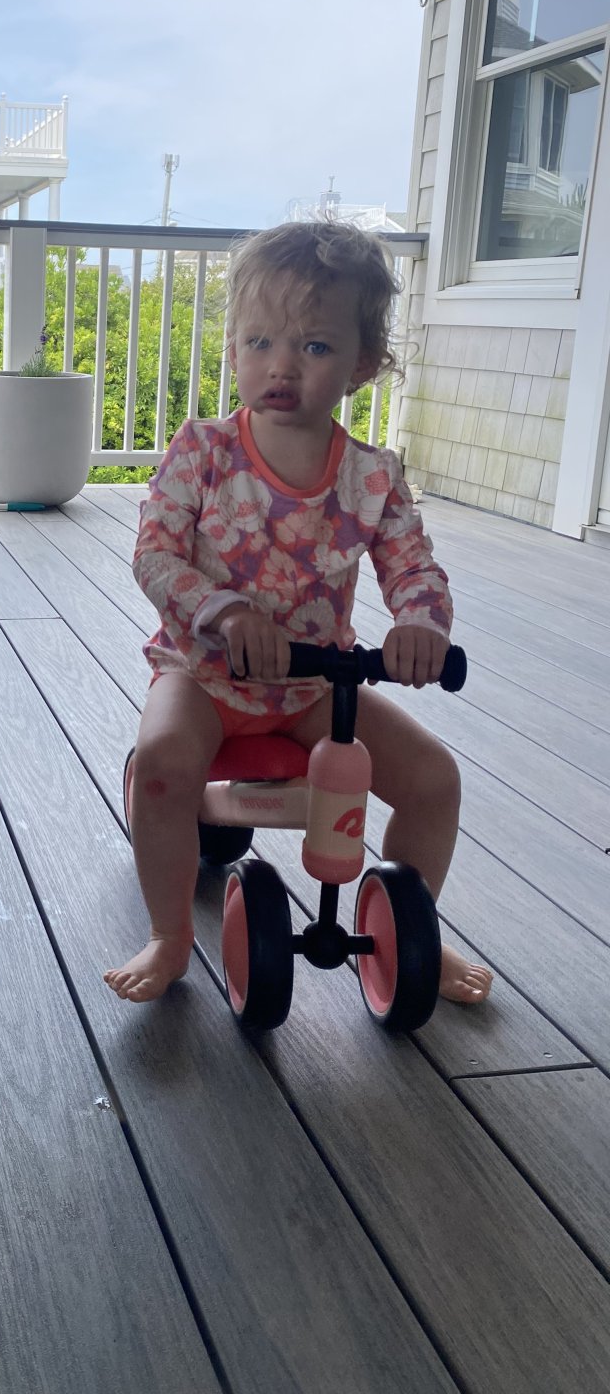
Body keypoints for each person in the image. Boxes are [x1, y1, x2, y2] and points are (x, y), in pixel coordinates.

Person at [105, 221, 493, 1006]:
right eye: (260, 341)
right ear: (234, 349)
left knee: (432, 779)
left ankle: (405, 924)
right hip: (204, 672)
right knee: (162, 768)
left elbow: (411, 564)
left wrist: (422, 624)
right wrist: (222, 611)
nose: (281, 365)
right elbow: (154, 555)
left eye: (314, 347)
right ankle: (170, 934)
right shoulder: (204, 451)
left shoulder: (371, 477)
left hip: (316, 686)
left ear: (362, 363)